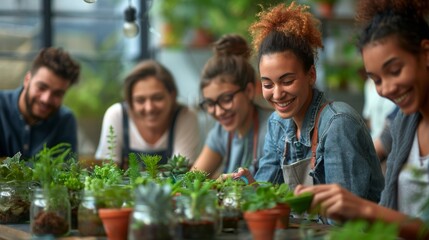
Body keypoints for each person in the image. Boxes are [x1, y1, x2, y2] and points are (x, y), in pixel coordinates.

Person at [295, 0, 429, 238]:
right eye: (376, 79)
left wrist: (363, 209)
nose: (386, 88)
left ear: (426, 54)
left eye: (395, 70)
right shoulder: (403, 124)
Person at [231, 2, 384, 203]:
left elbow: (345, 217)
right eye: (268, 84)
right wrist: (249, 185)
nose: (277, 94)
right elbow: (265, 198)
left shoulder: (337, 124)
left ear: (311, 75)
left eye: (287, 81)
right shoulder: (277, 124)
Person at [191, 34, 273, 178]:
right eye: (210, 103)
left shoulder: (273, 129)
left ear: (249, 91)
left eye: (226, 99)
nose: (218, 111)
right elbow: (192, 180)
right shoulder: (221, 132)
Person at [95, 60, 200, 169]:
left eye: (157, 98)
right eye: (140, 100)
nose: (149, 108)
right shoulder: (117, 115)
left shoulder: (185, 116)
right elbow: (108, 172)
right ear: (130, 101)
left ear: (172, 95)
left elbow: (182, 172)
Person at [0, 47, 80, 159]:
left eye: (57, 94)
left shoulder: (65, 121)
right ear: (27, 80)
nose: (46, 99)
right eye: (42, 87)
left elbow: (65, 171)